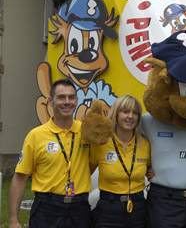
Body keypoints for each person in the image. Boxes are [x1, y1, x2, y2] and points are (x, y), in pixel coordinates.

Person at [9, 78, 91, 228]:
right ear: (51, 102)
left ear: (77, 100)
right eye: (61, 97)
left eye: (71, 97)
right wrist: (14, 220)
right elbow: (20, 178)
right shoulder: (36, 135)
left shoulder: (87, 131)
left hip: (79, 208)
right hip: (46, 209)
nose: (67, 102)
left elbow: (97, 162)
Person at [89, 95, 150, 228]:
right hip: (108, 209)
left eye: (135, 113)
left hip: (138, 208)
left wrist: (150, 172)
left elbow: (152, 170)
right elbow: (86, 172)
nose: (130, 116)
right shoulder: (102, 143)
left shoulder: (144, 144)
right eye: (125, 111)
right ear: (116, 114)